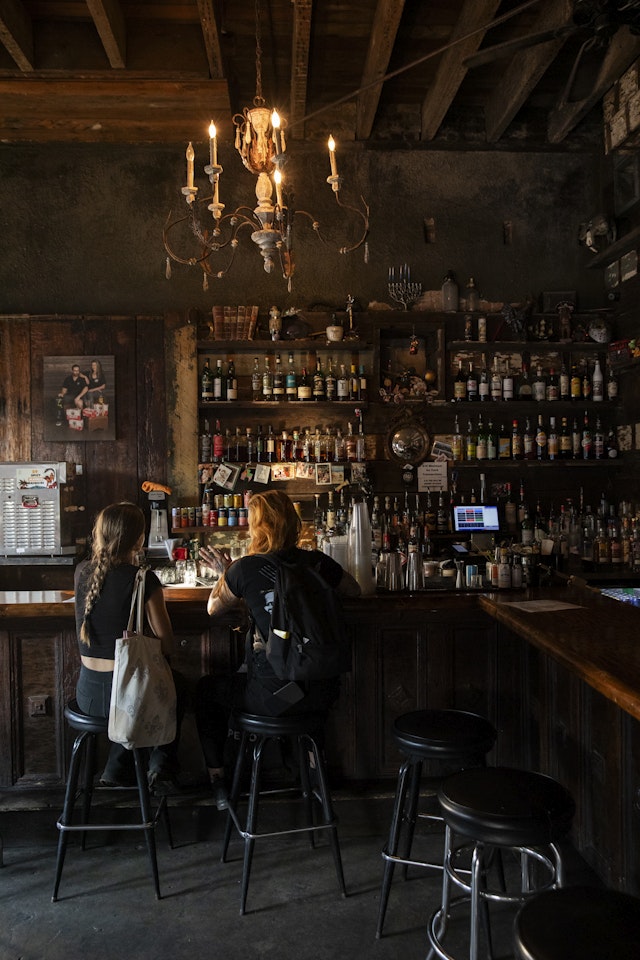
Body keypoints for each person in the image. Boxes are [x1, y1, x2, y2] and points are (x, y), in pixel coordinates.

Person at [197, 490, 360, 809]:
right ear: (293, 523)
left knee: (206, 691)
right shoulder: (317, 562)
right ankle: (308, 774)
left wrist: (225, 573)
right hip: (322, 693)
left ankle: (219, 782)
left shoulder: (245, 569)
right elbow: (354, 590)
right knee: (293, 693)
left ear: (256, 527)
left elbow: (213, 608)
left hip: (274, 697)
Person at [74, 501, 185, 794]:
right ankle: (160, 768)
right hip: (124, 698)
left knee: (134, 693)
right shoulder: (143, 579)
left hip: (87, 696)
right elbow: (168, 644)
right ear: (139, 539)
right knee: (176, 687)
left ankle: (117, 767)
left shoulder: (82, 572)